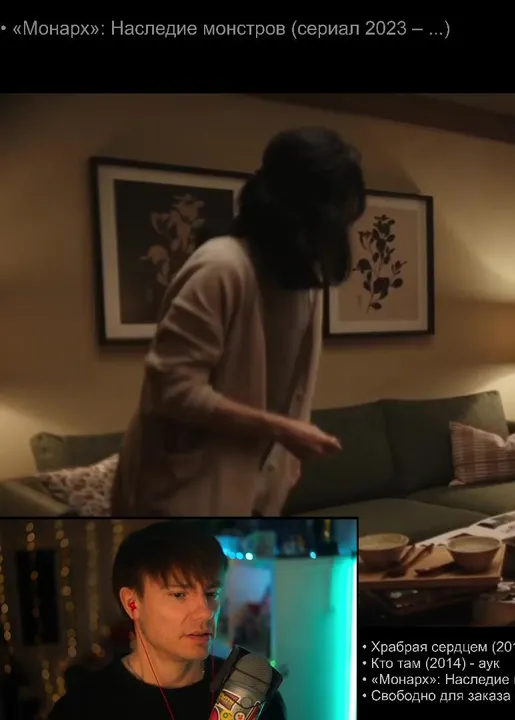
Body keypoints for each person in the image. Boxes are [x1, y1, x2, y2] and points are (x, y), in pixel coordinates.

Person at [112, 127, 362, 516]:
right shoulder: (220, 268)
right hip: (180, 497)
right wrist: (280, 428)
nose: (341, 234)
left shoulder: (305, 280)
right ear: (298, 213)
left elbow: (292, 390)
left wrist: (284, 460)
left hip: (256, 497)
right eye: (336, 219)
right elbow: (174, 389)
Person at [48, 521, 286, 720]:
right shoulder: (82, 709)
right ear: (132, 604)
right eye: (179, 595)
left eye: (211, 594)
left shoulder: (251, 697)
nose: (206, 612)